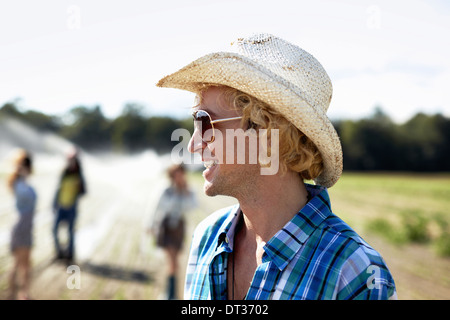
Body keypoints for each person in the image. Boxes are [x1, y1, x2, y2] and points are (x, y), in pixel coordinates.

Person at [157, 33, 397, 300]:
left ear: (266, 132)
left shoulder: (355, 274)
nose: (193, 145)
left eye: (205, 122)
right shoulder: (206, 239)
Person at [148, 164, 197, 300]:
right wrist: (150, 225)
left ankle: (171, 292)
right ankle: (170, 294)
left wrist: (185, 192)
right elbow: (156, 207)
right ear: (172, 175)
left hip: (179, 227)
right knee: (172, 261)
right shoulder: (166, 190)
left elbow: (193, 206)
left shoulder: (188, 190)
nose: (179, 176)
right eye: (176, 173)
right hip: (166, 227)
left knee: (174, 262)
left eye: (181, 173)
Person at [7, 149, 37, 300]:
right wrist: (20, 170)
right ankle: (14, 293)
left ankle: (22, 293)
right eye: (24, 165)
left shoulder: (23, 183)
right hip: (21, 226)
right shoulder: (18, 184)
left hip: (27, 227)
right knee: (20, 264)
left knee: (25, 264)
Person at [52, 149, 86, 263]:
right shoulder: (63, 173)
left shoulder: (79, 175)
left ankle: (70, 254)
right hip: (61, 206)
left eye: (72, 160)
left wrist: (79, 187)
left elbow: (83, 192)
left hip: (71, 208)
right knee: (54, 230)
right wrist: (54, 204)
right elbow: (58, 189)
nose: (70, 162)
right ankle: (59, 253)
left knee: (70, 232)